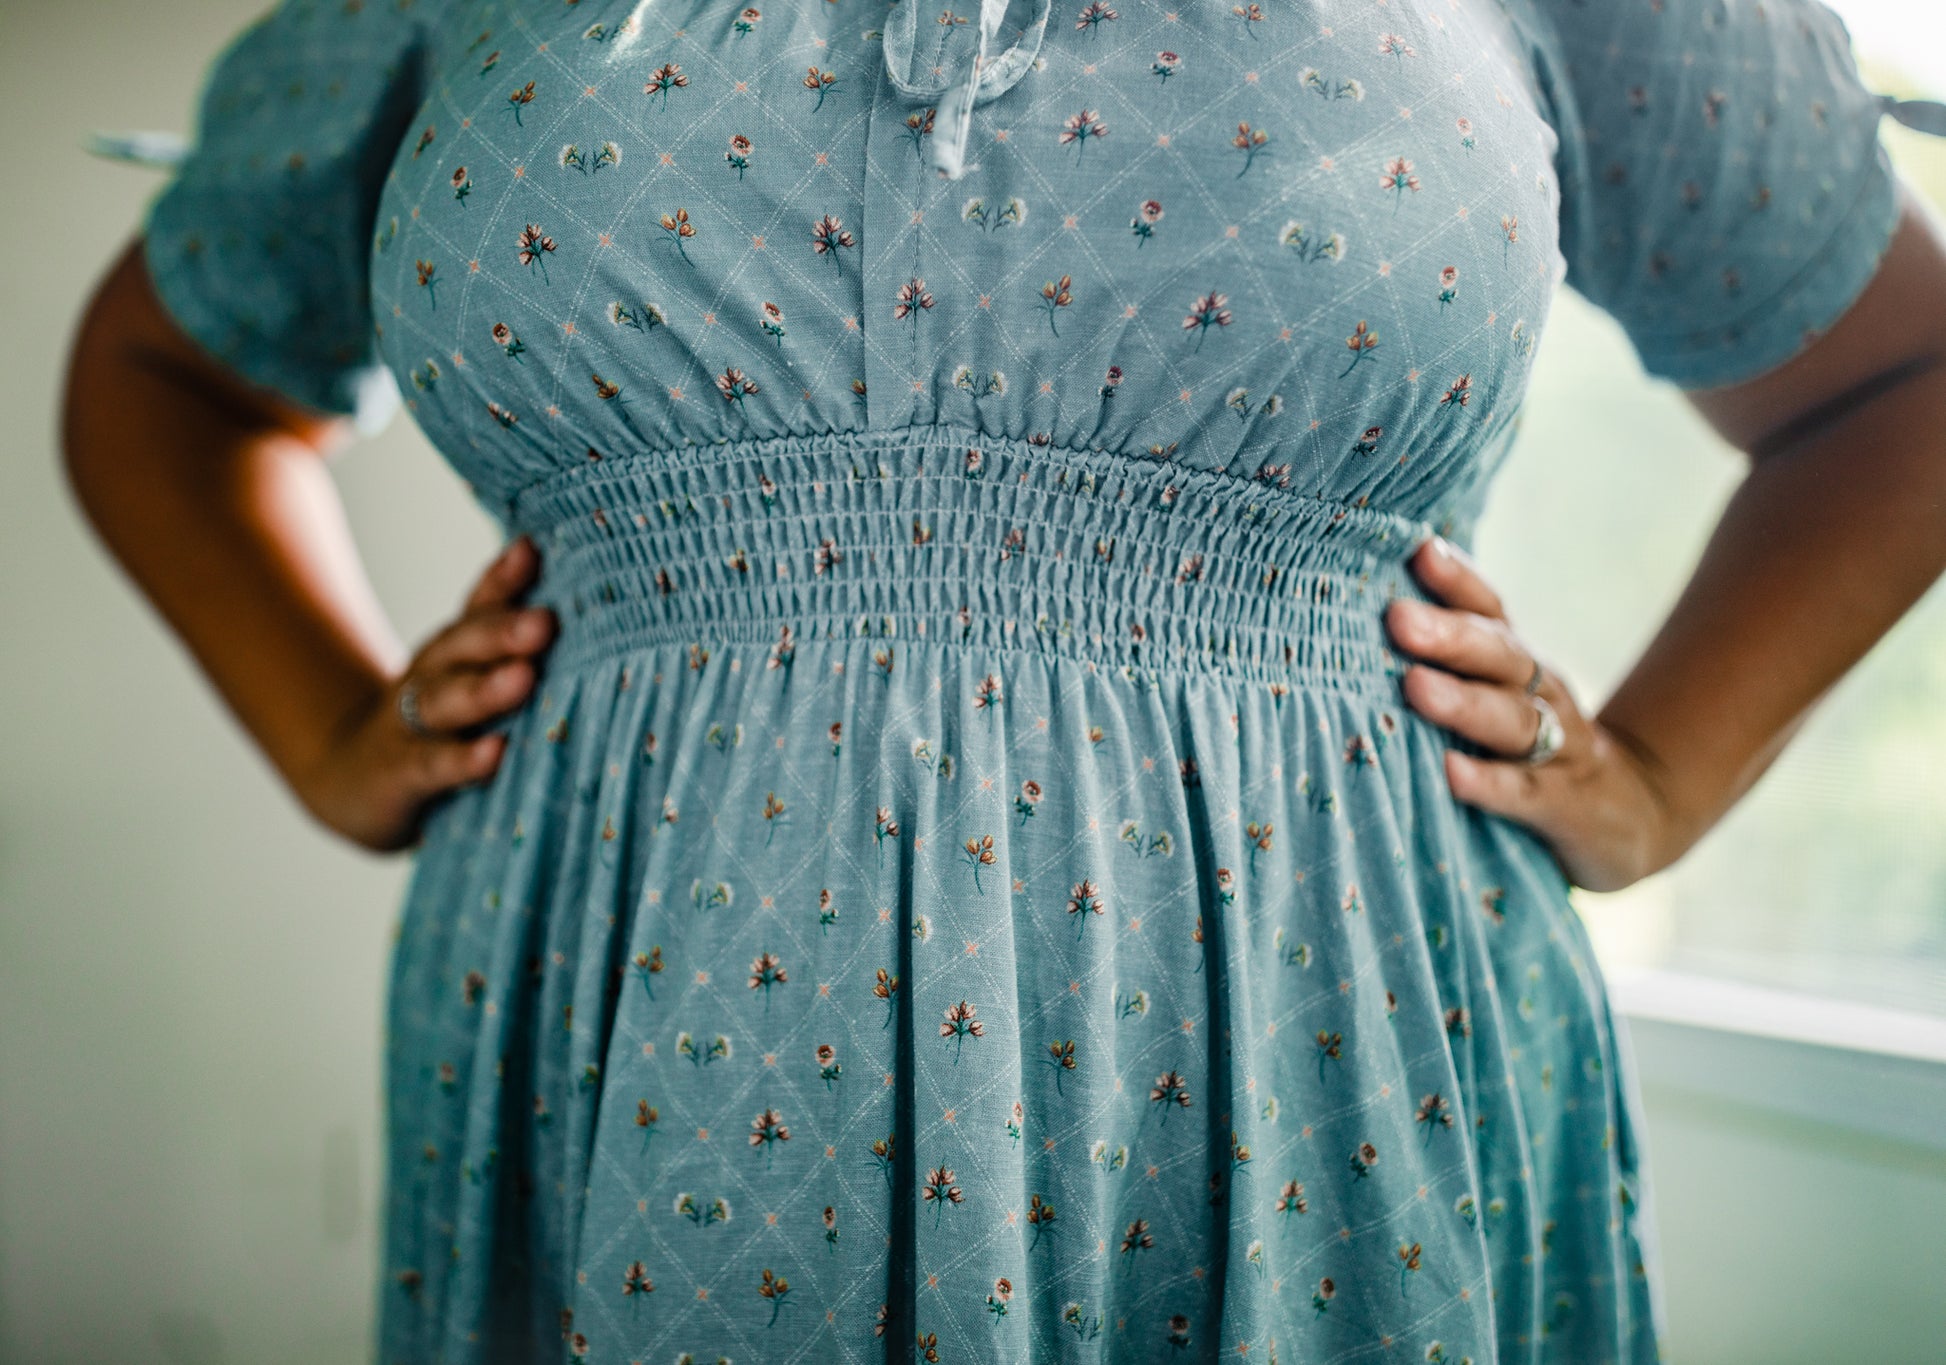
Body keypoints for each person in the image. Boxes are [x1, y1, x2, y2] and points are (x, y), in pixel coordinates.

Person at [60, 0, 1946, 1360]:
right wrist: (328, 730)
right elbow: (165, 369)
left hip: (1314, 1055)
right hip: (630, 1057)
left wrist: (1660, 780)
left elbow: (1897, 384)